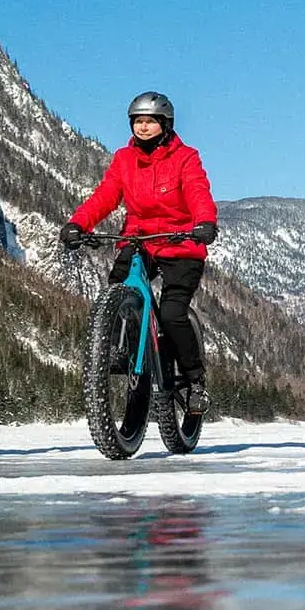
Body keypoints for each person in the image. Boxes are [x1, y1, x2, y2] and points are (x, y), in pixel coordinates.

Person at [60, 92, 218, 422]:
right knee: (119, 287)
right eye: (137, 121)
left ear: (165, 125)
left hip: (180, 241)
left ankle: (194, 381)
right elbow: (105, 196)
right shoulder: (123, 159)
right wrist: (78, 222)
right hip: (140, 238)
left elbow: (197, 191)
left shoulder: (186, 158)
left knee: (174, 313)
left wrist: (204, 222)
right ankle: (128, 346)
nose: (143, 127)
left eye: (149, 121)